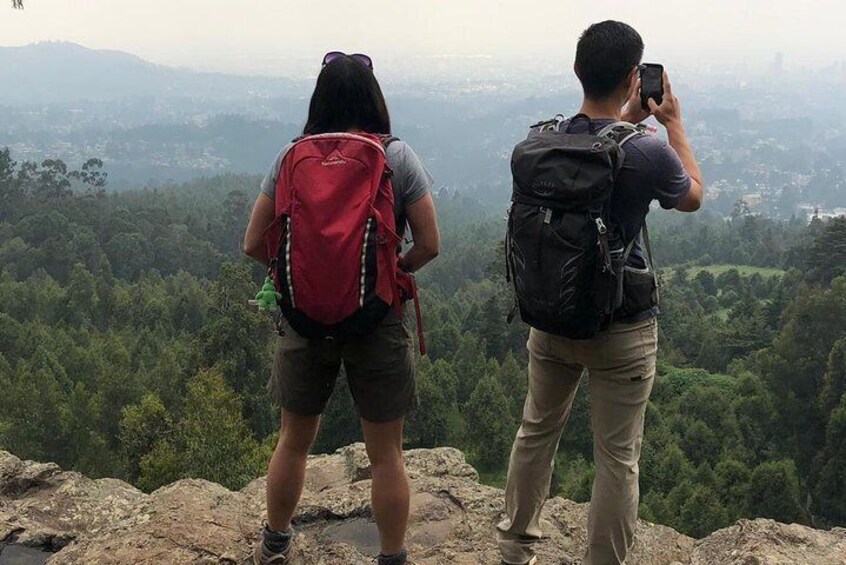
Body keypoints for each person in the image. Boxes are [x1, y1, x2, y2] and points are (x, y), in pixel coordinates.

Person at [497, 21, 703, 565]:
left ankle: (515, 548)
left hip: (551, 316)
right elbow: (694, 197)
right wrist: (673, 125)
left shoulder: (540, 143)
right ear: (636, 77)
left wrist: (625, 121)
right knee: (617, 457)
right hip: (623, 328)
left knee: (536, 431)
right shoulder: (648, 153)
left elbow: (597, 144)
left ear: (576, 70)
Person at [244, 51, 440, 565]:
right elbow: (429, 244)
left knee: (293, 440)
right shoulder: (396, 157)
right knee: (385, 454)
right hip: (377, 320)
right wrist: (389, 276)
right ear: (374, 98)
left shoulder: (291, 157)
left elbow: (252, 243)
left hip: (303, 318)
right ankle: (393, 556)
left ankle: (274, 544)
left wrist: (295, 279)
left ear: (319, 98)